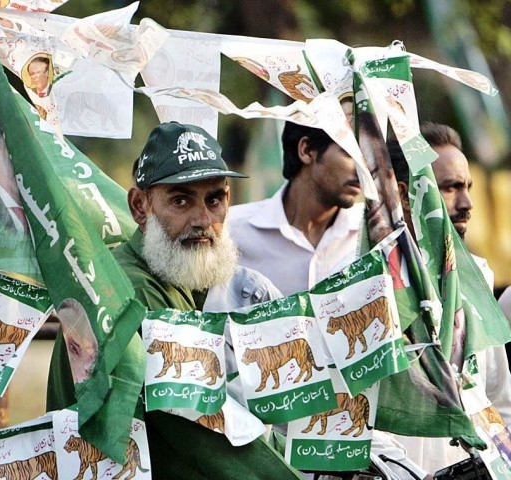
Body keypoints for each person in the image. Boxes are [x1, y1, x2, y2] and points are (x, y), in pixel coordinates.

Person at [47, 122, 300, 479]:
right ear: (140, 205)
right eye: (181, 200)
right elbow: (202, 427)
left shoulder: (182, 278)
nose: (202, 220)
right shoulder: (131, 289)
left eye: (214, 200)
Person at [385, 121, 511, 477]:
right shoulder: (369, 287)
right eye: (451, 188)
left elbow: (498, 399)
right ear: (405, 194)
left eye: (468, 186)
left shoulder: (478, 280)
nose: (467, 203)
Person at [228, 121, 364, 296]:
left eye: (368, 157)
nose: (364, 170)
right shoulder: (231, 232)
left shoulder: (374, 235)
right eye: (351, 153)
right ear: (306, 150)